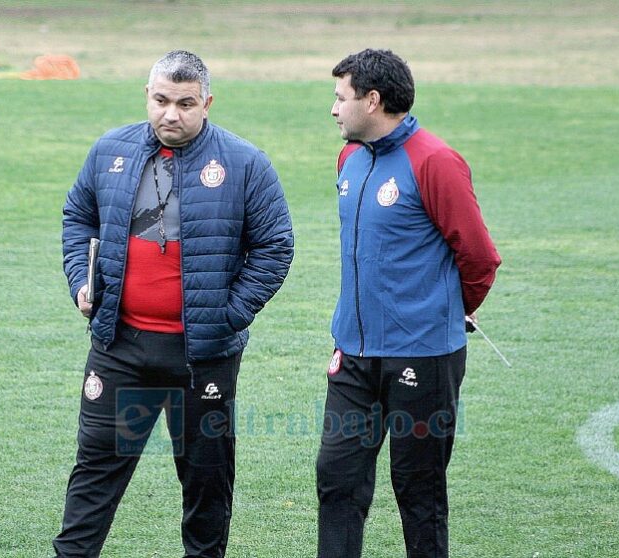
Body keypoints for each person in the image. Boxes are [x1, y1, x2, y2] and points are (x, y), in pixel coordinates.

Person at [56, 50, 293, 558]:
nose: (171, 114)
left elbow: (276, 247)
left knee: (206, 483)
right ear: (147, 96)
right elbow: (78, 216)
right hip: (118, 347)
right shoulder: (108, 151)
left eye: (186, 103)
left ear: (207, 103)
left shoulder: (245, 163)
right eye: (161, 100)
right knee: (94, 474)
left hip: (201, 356)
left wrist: (226, 316)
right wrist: (83, 278)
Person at [316, 49, 501, 558]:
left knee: (418, 490)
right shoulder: (350, 158)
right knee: (336, 480)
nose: (333, 109)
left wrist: (443, 310)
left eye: (340, 97)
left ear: (372, 100)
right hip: (352, 353)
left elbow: (480, 257)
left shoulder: (435, 162)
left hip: (423, 356)